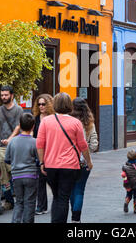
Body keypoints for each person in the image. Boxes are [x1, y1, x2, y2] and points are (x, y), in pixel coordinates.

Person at [36, 92, 93, 223]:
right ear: (69, 105)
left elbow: (39, 144)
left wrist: (41, 162)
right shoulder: (76, 123)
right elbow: (83, 145)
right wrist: (89, 162)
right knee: (63, 197)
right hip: (70, 166)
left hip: (50, 165)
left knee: (56, 196)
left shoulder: (45, 121)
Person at [0, 85, 23, 209]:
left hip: (16, 146)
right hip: (1, 147)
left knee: (14, 172)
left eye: (6, 95)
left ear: (12, 95)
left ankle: (19, 198)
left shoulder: (18, 110)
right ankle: (9, 200)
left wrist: (10, 139)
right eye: (2, 95)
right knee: (3, 174)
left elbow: (18, 127)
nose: (3, 97)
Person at [5, 113, 39, 223]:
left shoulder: (12, 141)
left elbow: (7, 159)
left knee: (19, 202)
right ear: (33, 126)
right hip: (31, 175)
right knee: (29, 202)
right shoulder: (35, 142)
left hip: (16, 176)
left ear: (19, 125)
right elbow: (39, 160)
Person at [69, 97, 99, 223]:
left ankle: (73, 213)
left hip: (68, 160)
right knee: (80, 190)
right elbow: (93, 145)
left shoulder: (68, 122)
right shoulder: (89, 123)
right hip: (83, 161)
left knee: (71, 189)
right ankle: (76, 219)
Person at [32, 94, 55, 215]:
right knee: (40, 181)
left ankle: (58, 203)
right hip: (39, 153)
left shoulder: (53, 118)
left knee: (52, 181)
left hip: (51, 153)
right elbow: (33, 135)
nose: (41, 106)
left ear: (49, 104)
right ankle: (41, 206)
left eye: (43, 104)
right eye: (39, 104)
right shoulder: (36, 119)